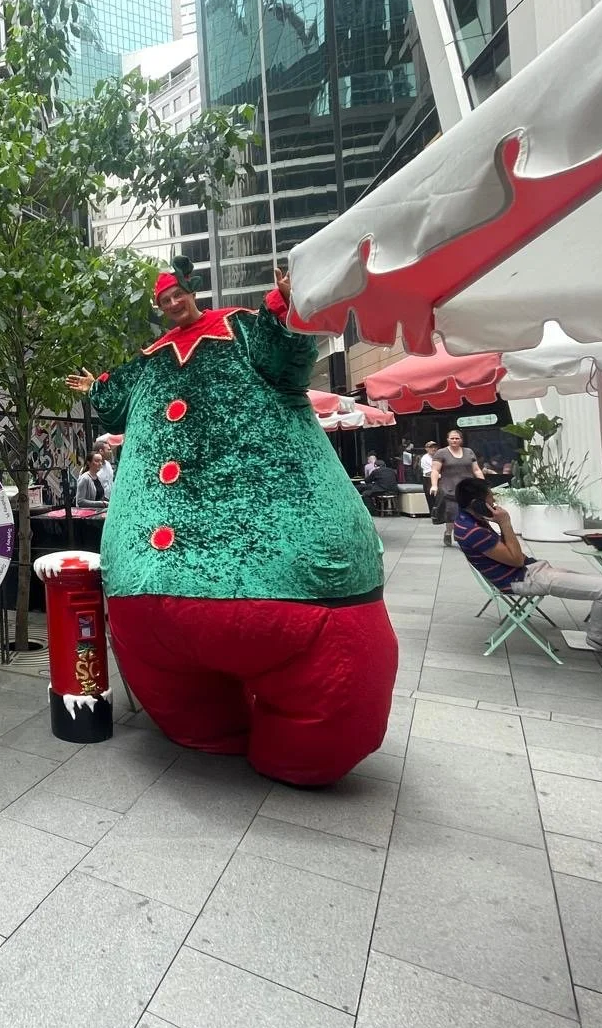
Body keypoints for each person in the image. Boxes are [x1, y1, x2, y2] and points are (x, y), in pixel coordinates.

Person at [66, 266, 397, 787]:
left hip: (288, 584)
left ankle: (287, 748)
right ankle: (218, 726)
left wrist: (287, 306)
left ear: (190, 294)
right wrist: (94, 388)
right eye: (165, 300)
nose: (173, 304)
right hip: (146, 591)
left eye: (177, 295)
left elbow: (288, 352)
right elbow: (112, 402)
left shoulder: (240, 328)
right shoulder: (150, 360)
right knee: (202, 710)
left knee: (324, 713)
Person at [452, 478, 602, 663]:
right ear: (477, 504)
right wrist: (505, 523)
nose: (495, 502)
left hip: (532, 570)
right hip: (523, 578)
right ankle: (600, 639)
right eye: (491, 499)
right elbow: (516, 559)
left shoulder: (469, 520)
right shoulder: (472, 531)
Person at [430, 430, 484, 547]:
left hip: (467, 487)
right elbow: (435, 470)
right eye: (452, 438)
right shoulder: (441, 453)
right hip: (448, 487)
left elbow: (476, 469)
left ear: (461, 440)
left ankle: (464, 533)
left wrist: (483, 483)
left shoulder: (469, 452)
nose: (454, 440)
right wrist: (434, 485)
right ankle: (448, 532)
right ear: (448, 439)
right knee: (452, 512)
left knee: (469, 511)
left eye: (457, 438)